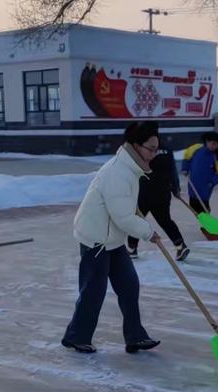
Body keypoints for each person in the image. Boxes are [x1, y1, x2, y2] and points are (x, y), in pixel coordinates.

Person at [61, 121, 161, 354]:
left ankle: (135, 336)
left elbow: (122, 210)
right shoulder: (118, 172)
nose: (154, 154)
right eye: (151, 148)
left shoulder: (130, 168)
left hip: (112, 240)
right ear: (136, 146)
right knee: (94, 291)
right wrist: (148, 232)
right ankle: (76, 336)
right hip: (96, 239)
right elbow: (123, 218)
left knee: (129, 286)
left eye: (157, 149)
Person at [125, 123, 190, 262]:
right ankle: (180, 245)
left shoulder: (143, 147)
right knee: (165, 220)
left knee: (136, 220)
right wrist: (175, 188)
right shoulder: (166, 147)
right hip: (163, 192)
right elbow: (172, 169)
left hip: (144, 191)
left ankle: (131, 248)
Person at [181, 131, 218, 214]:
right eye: (213, 143)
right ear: (207, 142)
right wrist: (185, 168)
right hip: (193, 183)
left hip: (206, 185)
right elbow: (186, 157)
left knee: (203, 206)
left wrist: (212, 182)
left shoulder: (217, 156)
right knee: (193, 204)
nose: (215, 146)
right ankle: (204, 223)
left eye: (217, 144)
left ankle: (207, 224)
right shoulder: (196, 148)